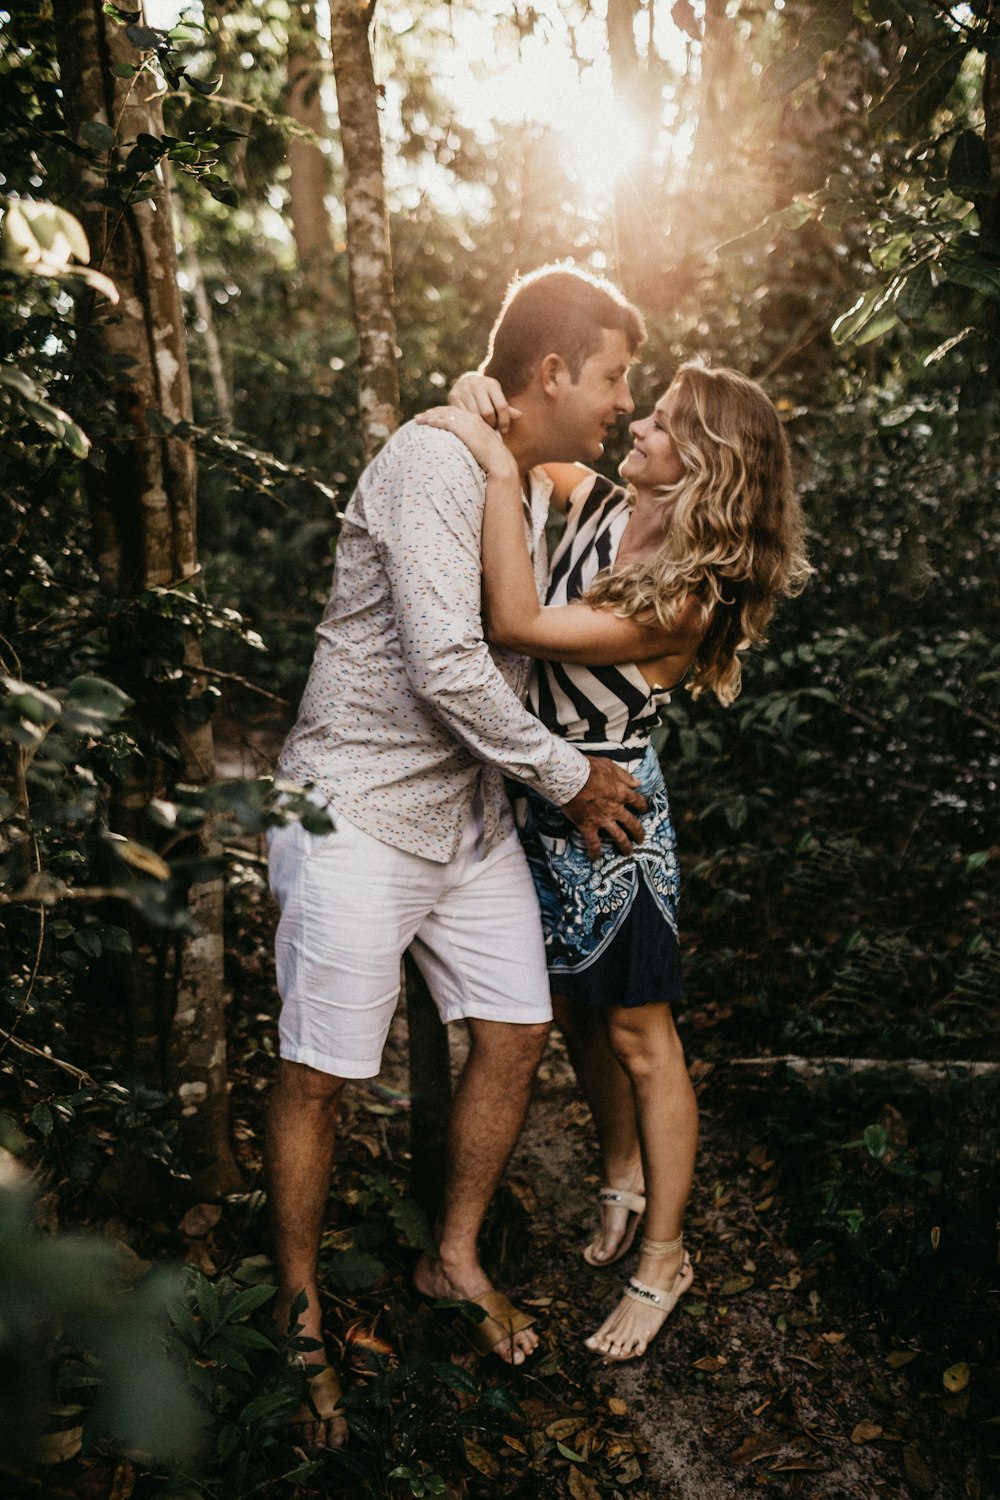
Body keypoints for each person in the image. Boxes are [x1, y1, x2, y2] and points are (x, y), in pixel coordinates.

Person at [265, 266, 649, 1447]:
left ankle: (452, 1259)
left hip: (468, 821)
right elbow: (444, 666)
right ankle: (296, 1316)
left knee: (515, 1029)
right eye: (615, 376)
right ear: (551, 374)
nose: (624, 403)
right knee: (320, 1079)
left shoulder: (510, 461)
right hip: (359, 810)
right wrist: (568, 775)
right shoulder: (432, 462)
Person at [418, 361, 811, 1360]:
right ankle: (620, 1177)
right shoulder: (604, 499)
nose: (635, 424)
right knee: (582, 1024)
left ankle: (664, 1259)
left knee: (643, 1039)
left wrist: (494, 467)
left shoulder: (689, 594)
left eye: (665, 424)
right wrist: (474, 390)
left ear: (706, 464)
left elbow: (517, 626)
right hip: (535, 801)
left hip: (611, 825)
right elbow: (525, 436)